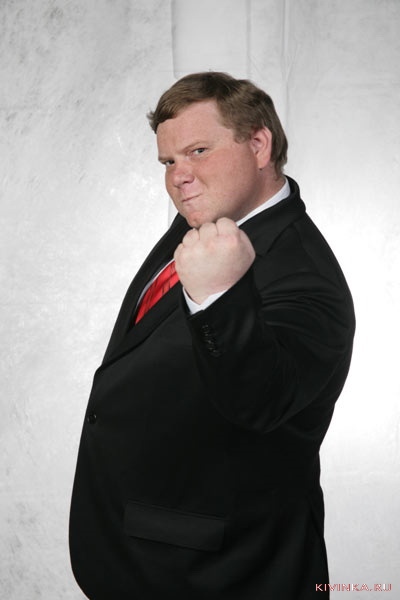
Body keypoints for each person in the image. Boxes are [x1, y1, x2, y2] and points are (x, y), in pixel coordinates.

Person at [69, 71, 355, 600]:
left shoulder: (307, 276)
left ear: (259, 144)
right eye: (168, 162)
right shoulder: (210, 215)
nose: (179, 177)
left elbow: (262, 401)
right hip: (139, 558)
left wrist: (220, 298)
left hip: (221, 577)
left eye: (198, 151)